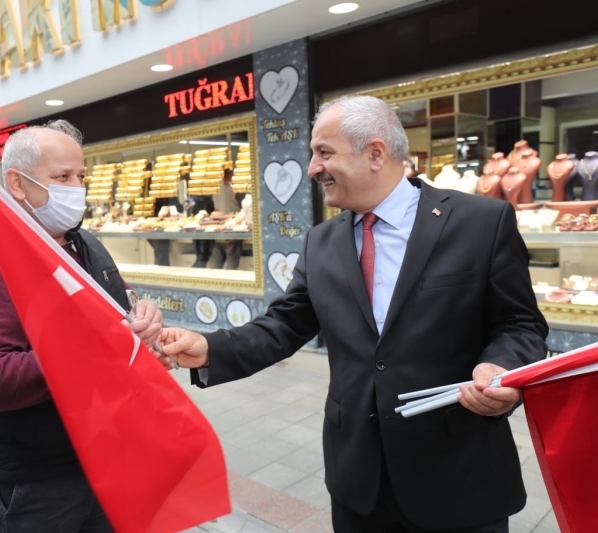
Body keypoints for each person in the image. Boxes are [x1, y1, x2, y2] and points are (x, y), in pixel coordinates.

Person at [158, 96, 548, 533]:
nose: (311, 168)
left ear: (376, 154)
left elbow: (521, 323)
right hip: (360, 483)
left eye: (324, 152)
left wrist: (503, 368)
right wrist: (210, 347)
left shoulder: (481, 221)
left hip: (458, 473)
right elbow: (286, 323)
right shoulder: (321, 241)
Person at [0, 120, 163, 532]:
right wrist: (96, 346)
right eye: (62, 177)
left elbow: (121, 305)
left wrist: (144, 315)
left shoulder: (83, 242)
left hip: (105, 455)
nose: (77, 188)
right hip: (35, 478)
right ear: (18, 184)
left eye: (81, 176)